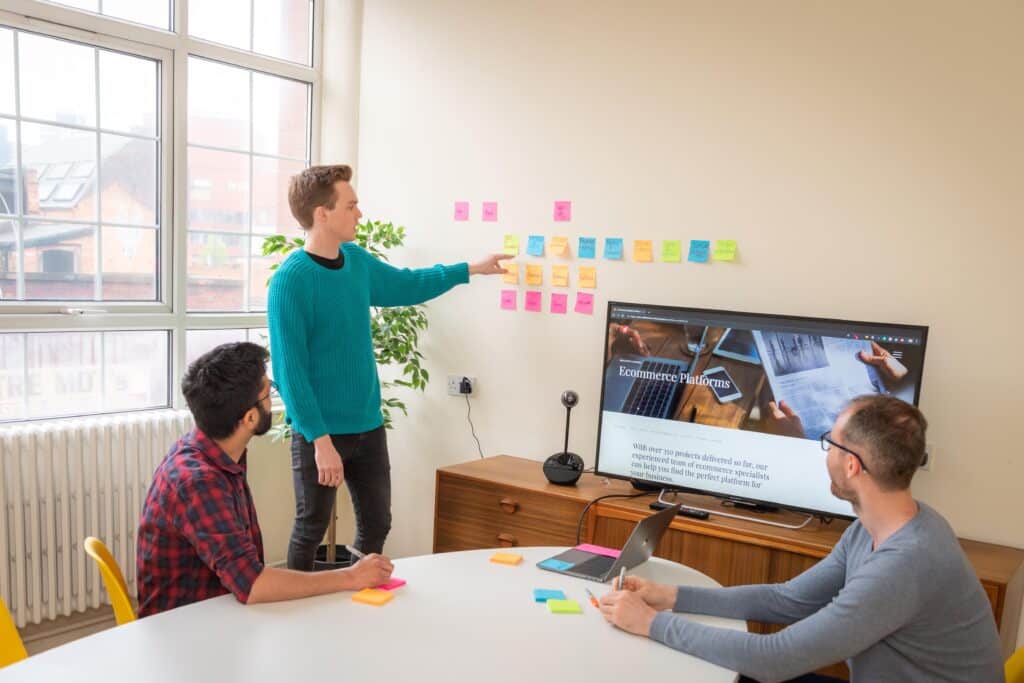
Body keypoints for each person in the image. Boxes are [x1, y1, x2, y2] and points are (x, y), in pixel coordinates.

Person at [599, 395, 1004, 683]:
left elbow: (774, 660)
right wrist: (669, 596)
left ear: (851, 465)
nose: (823, 450)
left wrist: (650, 622)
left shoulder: (905, 565)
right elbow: (788, 600)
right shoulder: (883, 525)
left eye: (829, 441)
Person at [268, 164, 510, 570]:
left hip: (367, 425)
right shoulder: (291, 280)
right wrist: (320, 441)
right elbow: (290, 372)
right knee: (311, 527)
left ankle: (354, 593)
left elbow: (408, 283)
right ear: (322, 214)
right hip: (322, 434)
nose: (359, 214)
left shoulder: (356, 261)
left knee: (377, 524)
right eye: (351, 205)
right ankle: (300, 613)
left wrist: (471, 268)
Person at [136, 342, 394, 617]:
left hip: (218, 610)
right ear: (249, 417)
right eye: (268, 393)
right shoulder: (198, 481)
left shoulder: (209, 452)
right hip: (189, 629)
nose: (273, 400)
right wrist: (351, 577)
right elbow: (253, 584)